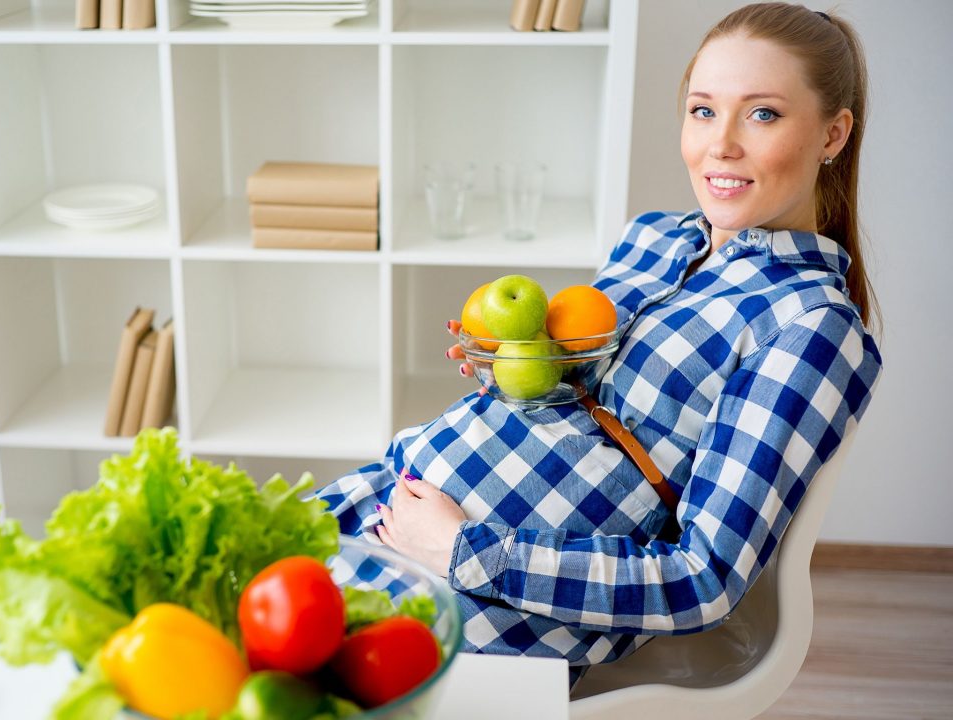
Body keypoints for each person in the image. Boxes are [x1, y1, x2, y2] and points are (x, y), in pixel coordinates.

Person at [317, 2, 882, 686]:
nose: (720, 144)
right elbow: (585, 416)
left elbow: (702, 578)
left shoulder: (811, 326)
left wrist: (462, 550)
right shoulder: (652, 238)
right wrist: (512, 368)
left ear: (833, 133)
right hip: (392, 495)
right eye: (703, 110)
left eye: (762, 114)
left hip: (478, 601)